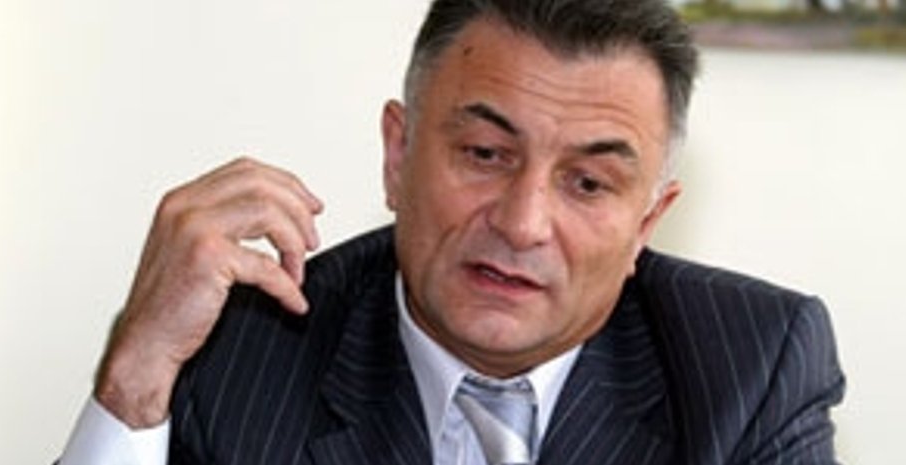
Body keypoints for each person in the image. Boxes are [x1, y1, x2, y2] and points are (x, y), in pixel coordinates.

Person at [60, 0, 845, 464]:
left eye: (587, 182)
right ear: (397, 155)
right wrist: (134, 380)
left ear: (647, 221)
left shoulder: (751, 365)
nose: (522, 223)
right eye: (484, 154)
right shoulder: (244, 350)